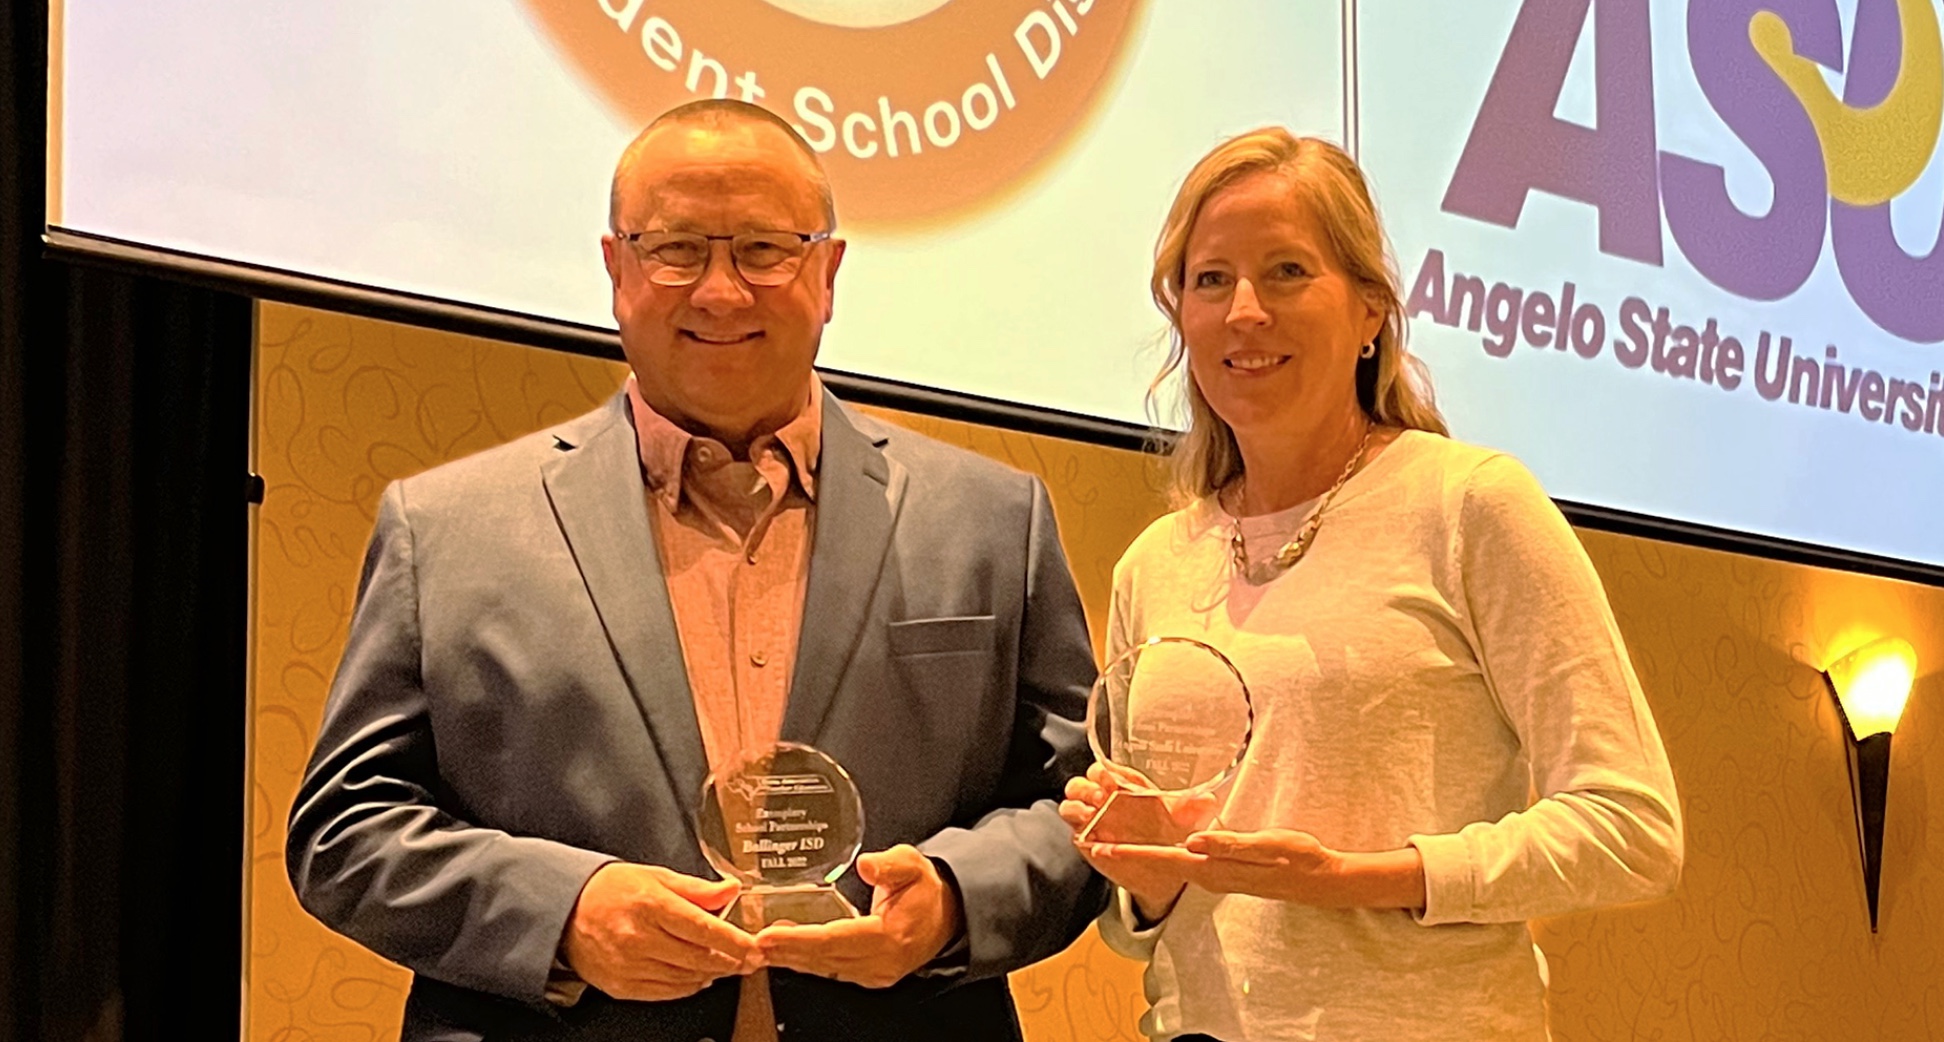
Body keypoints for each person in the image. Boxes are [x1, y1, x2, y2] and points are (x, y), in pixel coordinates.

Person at [287, 99, 1107, 1042]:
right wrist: (564, 914)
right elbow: (345, 830)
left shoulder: (994, 521)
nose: (720, 293)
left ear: (828, 273)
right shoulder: (446, 529)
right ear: (616, 269)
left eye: (764, 250)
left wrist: (956, 900)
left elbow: (1082, 807)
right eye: (676, 250)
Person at [1058, 128, 1683, 1041]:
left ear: (1370, 313)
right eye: (1211, 280)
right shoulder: (1154, 563)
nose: (1244, 311)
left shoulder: (1469, 504)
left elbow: (1632, 829)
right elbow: (1139, 924)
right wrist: (1146, 881)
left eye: (1286, 272)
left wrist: (1367, 878)